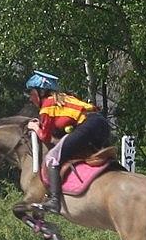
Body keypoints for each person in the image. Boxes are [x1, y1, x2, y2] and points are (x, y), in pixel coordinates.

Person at [25, 70, 111, 214]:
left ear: (41, 92)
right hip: (101, 123)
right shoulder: (64, 98)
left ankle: (54, 201)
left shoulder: (47, 106)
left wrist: (34, 126)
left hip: (88, 125)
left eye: (31, 93)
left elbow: (45, 137)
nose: (30, 98)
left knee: (53, 158)